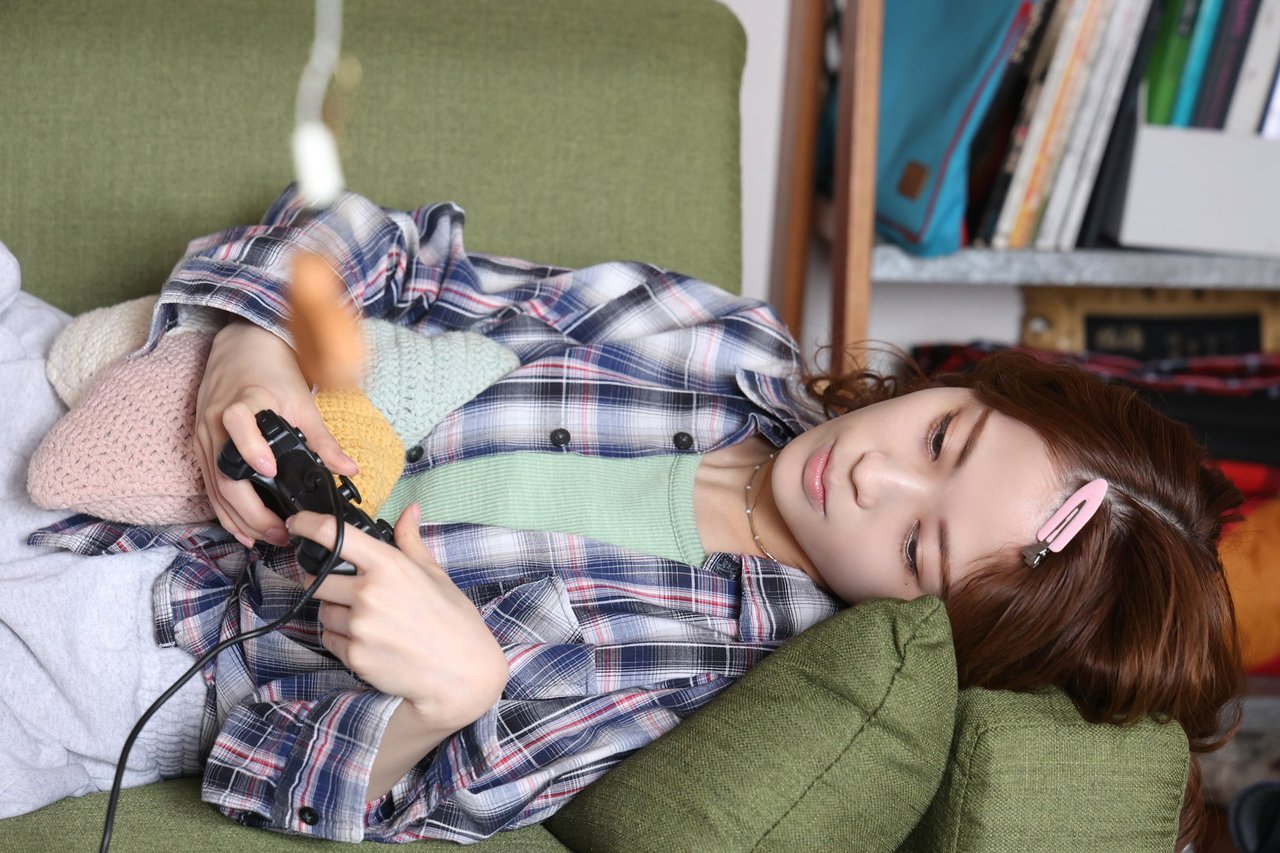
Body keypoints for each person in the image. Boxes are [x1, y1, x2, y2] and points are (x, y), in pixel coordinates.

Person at [4, 187, 1242, 849]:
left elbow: (317, 783)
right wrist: (254, 350)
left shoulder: (715, 673)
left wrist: (447, 697)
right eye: (940, 438)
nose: (870, 476)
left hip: (112, 654)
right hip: (73, 386)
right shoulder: (719, 341)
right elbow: (398, 251)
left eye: (918, 546)